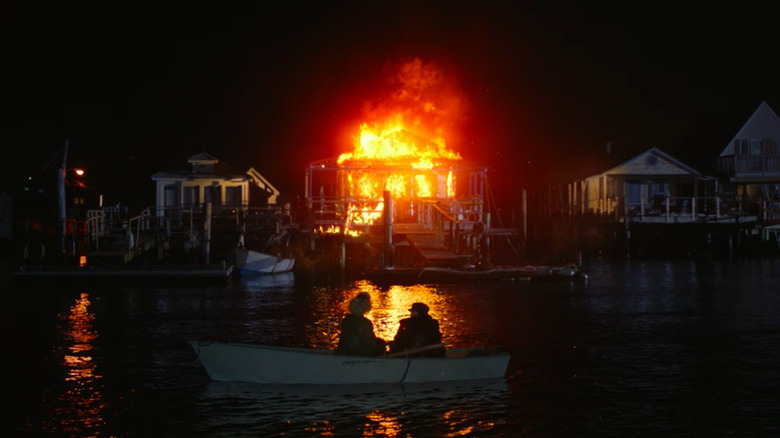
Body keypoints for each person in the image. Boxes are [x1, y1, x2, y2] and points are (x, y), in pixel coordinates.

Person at [336, 292, 387, 356]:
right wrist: (382, 344)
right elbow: (370, 342)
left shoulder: (346, 320)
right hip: (359, 354)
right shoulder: (366, 323)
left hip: (344, 353)